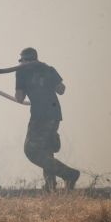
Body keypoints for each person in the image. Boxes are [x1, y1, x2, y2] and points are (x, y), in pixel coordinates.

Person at [14, 47, 80, 191]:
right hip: (54, 114)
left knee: (31, 151)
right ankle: (50, 186)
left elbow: (19, 98)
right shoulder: (48, 69)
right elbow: (61, 89)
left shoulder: (21, 72)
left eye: (22, 60)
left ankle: (69, 174)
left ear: (25, 60)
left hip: (40, 116)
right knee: (46, 149)